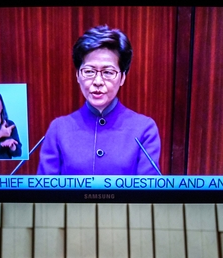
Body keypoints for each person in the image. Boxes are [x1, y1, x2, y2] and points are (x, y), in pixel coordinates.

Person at [37, 25, 161, 176]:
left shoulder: (144, 129)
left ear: (122, 77)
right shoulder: (58, 129)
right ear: (77, 75)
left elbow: (148, 196)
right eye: (89, 71)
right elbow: (45, 195)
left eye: (108, 72)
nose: (97, 81)